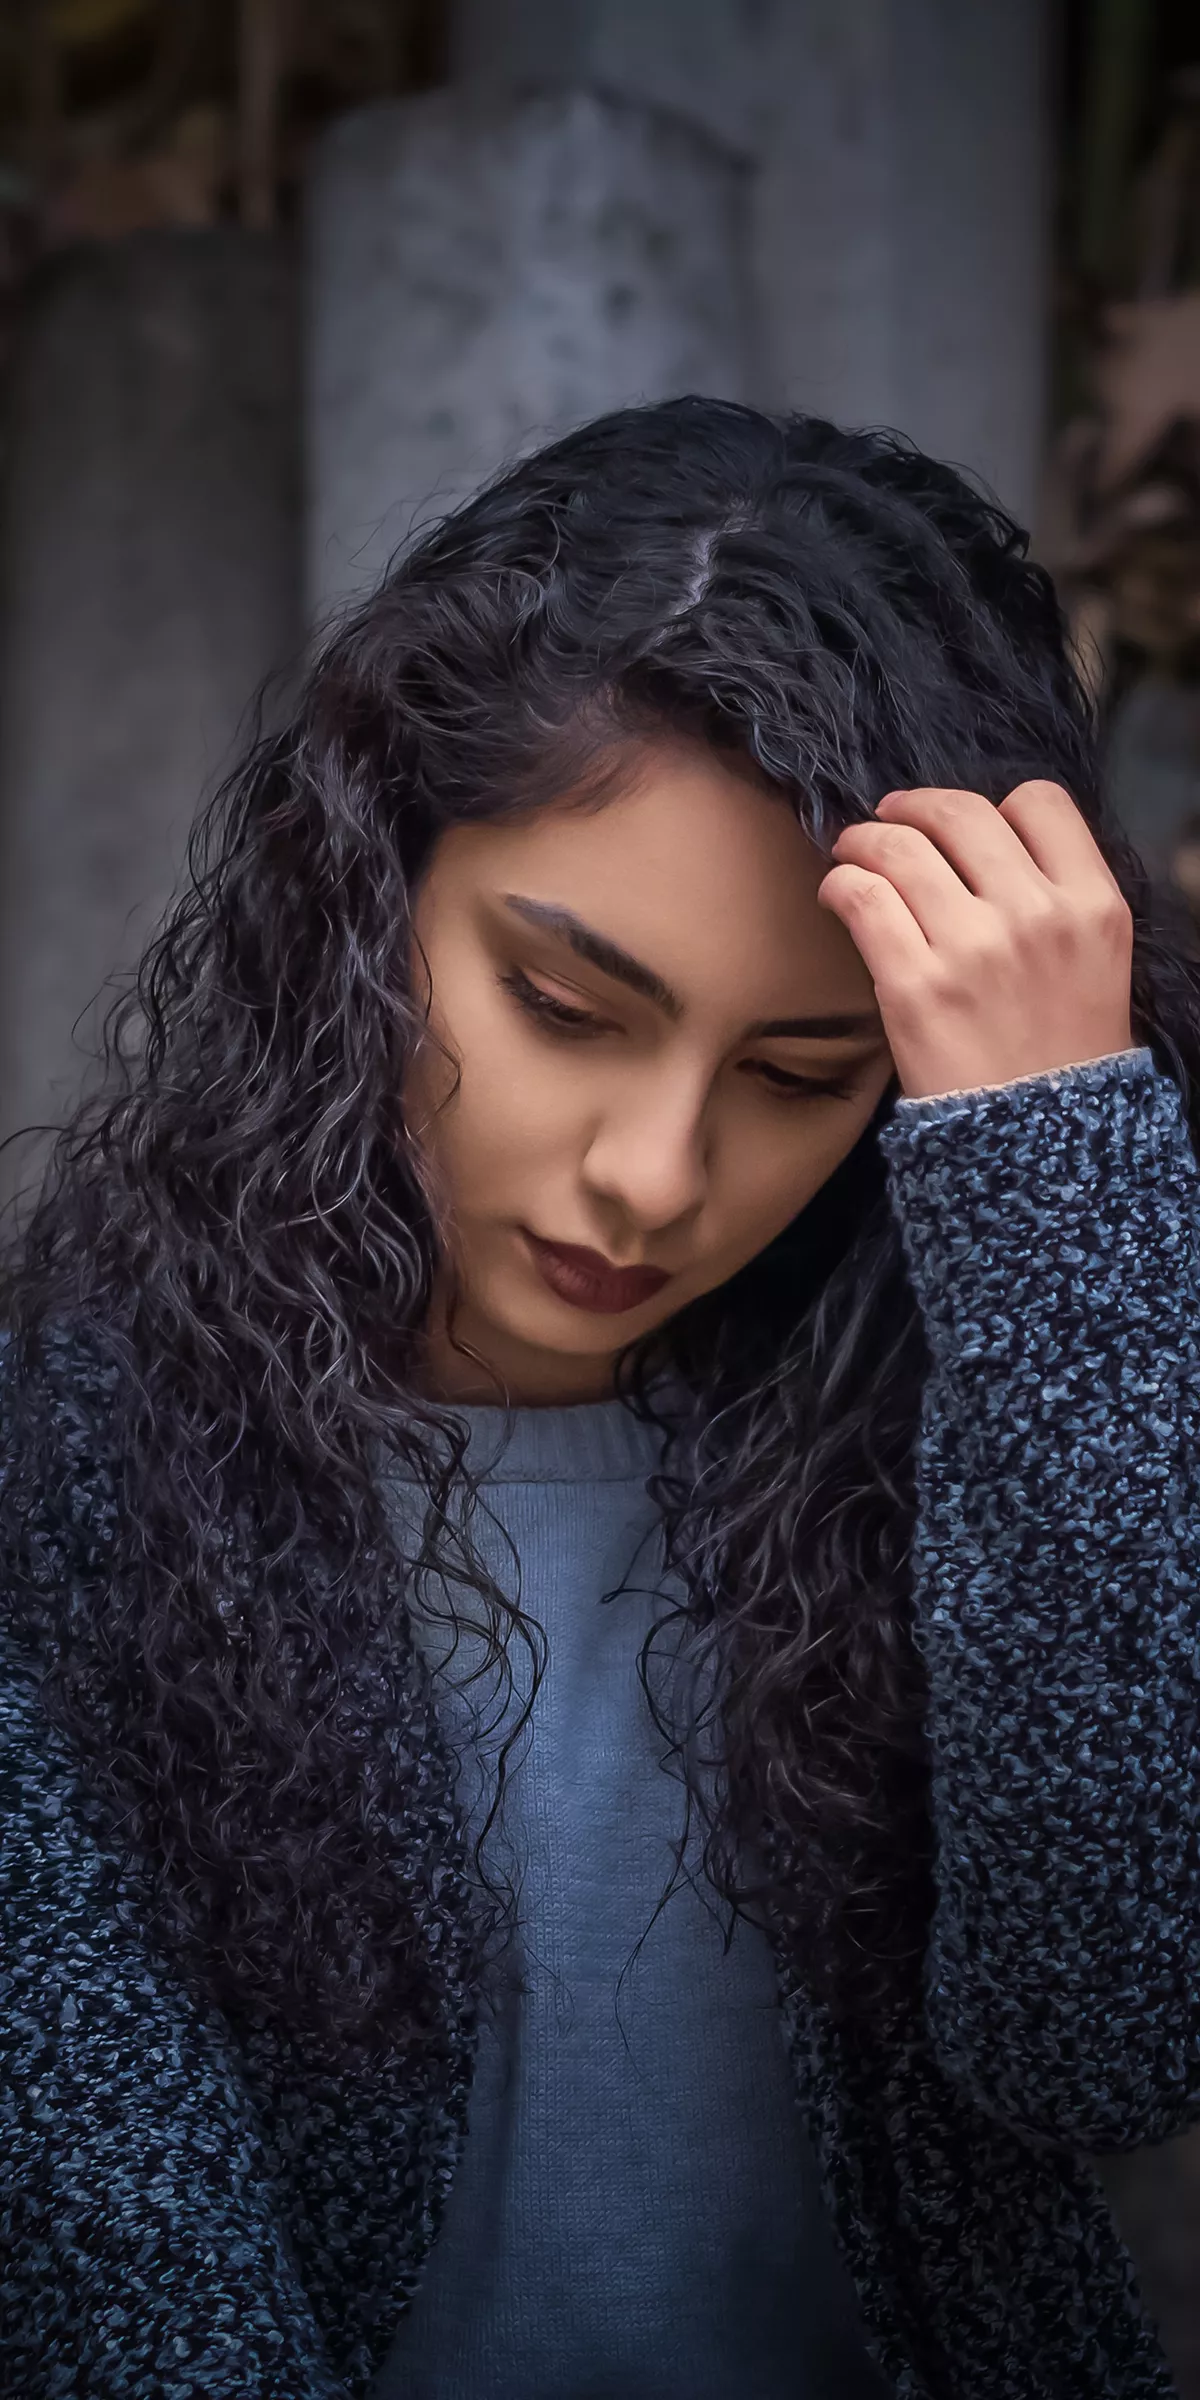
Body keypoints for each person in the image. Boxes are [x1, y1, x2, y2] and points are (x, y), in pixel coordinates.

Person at [1, 395, 1197, 2400]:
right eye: (568, 1008)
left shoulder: (978, 1435)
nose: (651, 1172)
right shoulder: (62, 1478)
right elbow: (143, 2302)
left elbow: (1111, 2042)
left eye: (802, 1075)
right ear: (364, 900)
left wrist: (1052, 1163)